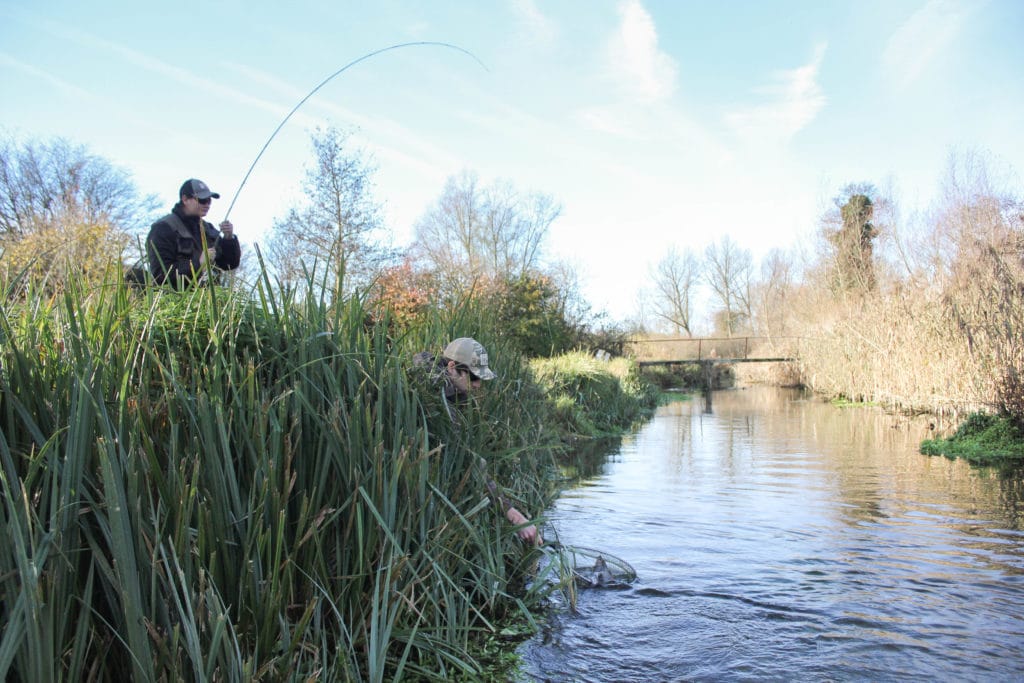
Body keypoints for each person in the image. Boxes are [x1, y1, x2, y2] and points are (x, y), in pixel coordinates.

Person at [415, 337, 542, 545]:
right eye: (474, 377)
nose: (478, 385)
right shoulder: (436, 400)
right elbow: (469, 463)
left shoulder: (451, 390)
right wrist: (515, 516)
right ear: (452, 367)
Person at [147, 178, 241, 287]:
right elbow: (160, 275)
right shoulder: (163, 228)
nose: (207, 205)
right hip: (177, 301)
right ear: (185, 199)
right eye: (202, 200)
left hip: (209, 300)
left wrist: (229, 239)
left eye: (209, 200)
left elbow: (229, 264)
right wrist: (198, 264)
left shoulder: (208, 229)